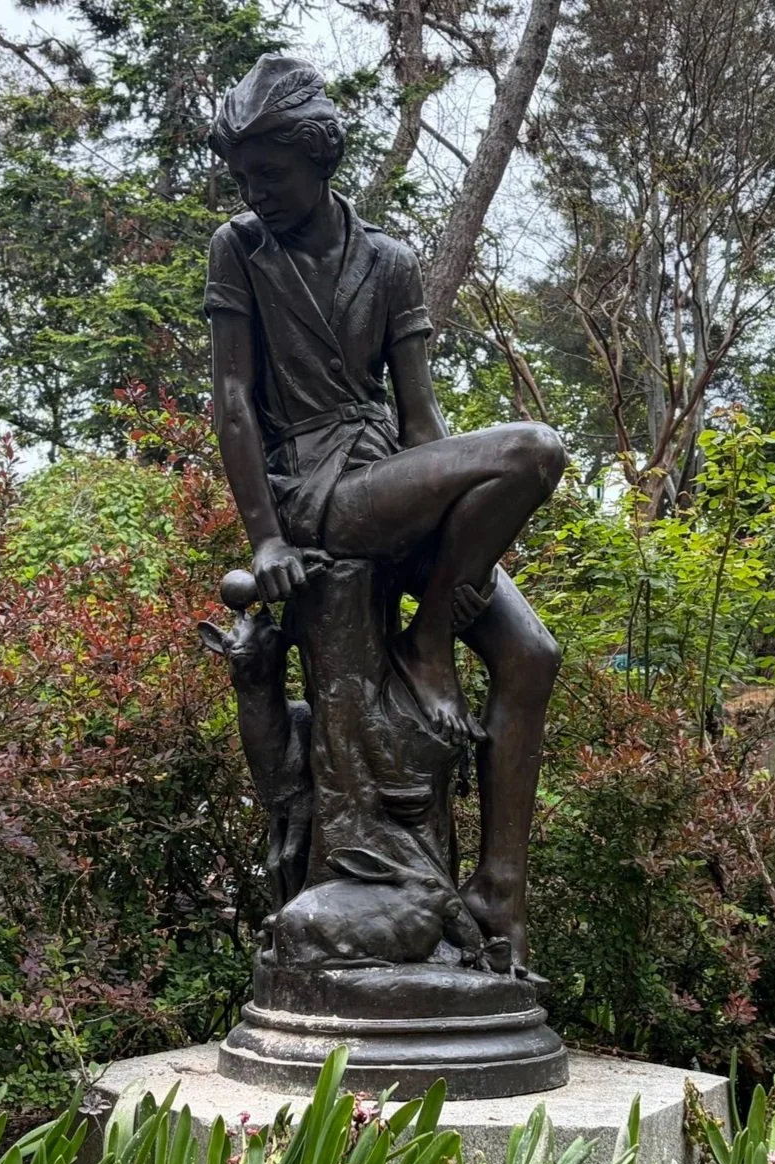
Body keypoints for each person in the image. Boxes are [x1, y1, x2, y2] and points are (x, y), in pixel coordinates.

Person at [205, 54, 566, 964]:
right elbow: (235, 402)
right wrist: (267, 537)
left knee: (532, 654)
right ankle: (432, 637)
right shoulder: (240, 250)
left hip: (389, 477)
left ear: (319, 158)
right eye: (244, 178)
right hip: (320, 494)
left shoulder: (391, 260)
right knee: (533, 449)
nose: (257, 193)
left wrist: (448, 515)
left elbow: (421, 417)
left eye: (271, 175)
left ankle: (500, 889)